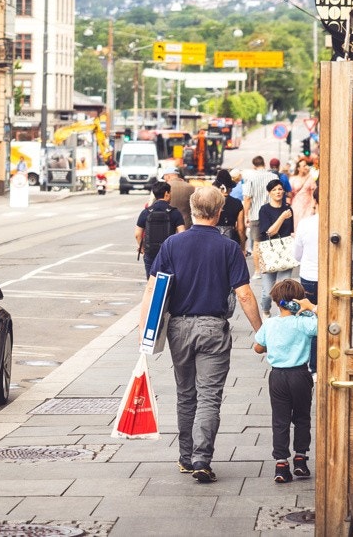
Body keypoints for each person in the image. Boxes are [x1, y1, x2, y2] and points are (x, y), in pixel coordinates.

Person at [146, 184, 262, 484]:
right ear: (220, 212)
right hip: (212, 327)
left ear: (193, 211)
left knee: (186, 395)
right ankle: (201, 458)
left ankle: (186, 458)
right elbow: (245, 294)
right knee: (209, 397)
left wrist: (145, 330)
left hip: (179, 327)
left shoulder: (173, 244)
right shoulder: (228, 247)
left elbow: (153, 287)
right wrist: (261, 332)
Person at [252, 279, 318, 484]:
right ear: (299, 300)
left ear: (274, 301)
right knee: (302, 418)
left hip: (278, 376)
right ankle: (300, 460)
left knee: (280, 420)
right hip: (300, 375)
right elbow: (328, 323)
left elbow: (258, 348)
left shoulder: (270, 324)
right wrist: (311, 307)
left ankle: (281, 465)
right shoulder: (305, 323)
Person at [256, 178, 296, 313]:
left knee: (284, 288)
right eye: (274, 190)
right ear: (269, 193)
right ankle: (266, 311)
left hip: (285, 251)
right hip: (269, 251)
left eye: (280, 189)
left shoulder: (288, 208)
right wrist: (282, 217)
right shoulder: (264, 210)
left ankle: (282, 315)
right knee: (268, 291)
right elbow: (269, 232)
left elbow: (290, 231)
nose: (278, 192)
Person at [135, 179, 184, 278]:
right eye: (170, 193)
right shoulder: (175, 213)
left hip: (150, 253)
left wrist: (143, 249)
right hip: (169, 253)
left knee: (151, 282)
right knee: (168, 282)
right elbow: (182, 233)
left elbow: (137, 234)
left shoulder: (146, 212)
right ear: (166, 194)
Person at [292, 205, 320, 303]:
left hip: (309, 275)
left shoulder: (305, 224)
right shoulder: (339, 223)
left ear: (316, 202)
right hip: (334, 277)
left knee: (309, 312)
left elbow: (297, 255)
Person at [213, 172, 246, 248]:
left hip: (213, 240)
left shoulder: (211, 201)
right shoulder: (237, 203)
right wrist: (243, 246)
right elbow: (240, 229)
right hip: (231, 241)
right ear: (230, 188)